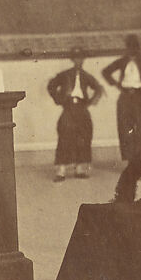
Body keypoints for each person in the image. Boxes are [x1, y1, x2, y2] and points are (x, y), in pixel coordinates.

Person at [46, 49, 103, 181]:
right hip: (69, 107)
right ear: (72, 59)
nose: (79, 61)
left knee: (84, 134)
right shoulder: (65, 75)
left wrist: (91, 101)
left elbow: (98, 88)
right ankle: (61, 171)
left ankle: (80, 169)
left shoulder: (86, 75)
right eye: (76, 58)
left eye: (81, 58)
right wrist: (59, 98)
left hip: (82, 107)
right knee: (65, 134)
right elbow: (51, 85)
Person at [102, 35, 141, 162]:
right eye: (130, 46)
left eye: (135, 46)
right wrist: (116, 84)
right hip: (125, 96)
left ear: (138, 48)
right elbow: (105, 71)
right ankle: (130, 160)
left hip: (140, 96)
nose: (132, 49)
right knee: (125, 128)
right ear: (127, 48)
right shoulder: (122, 61)